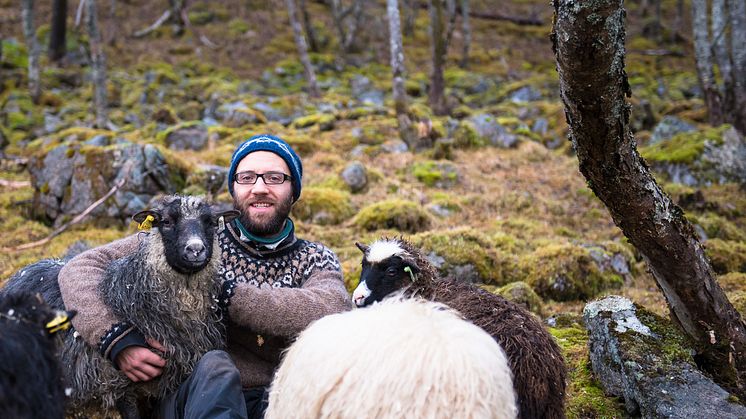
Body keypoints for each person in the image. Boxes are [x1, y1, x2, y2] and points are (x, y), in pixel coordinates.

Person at [58, 134, 352, 419]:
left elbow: (332, 308)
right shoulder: (193, 235)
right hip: (197, 396)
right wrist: (116, 339)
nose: (260, 188)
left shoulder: (315, 258)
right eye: (247, 177)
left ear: (294, 189)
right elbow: (80, 268)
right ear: (234, 188)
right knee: (216, 366)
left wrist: (225, 295)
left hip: (282, 397)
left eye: (275, 178)